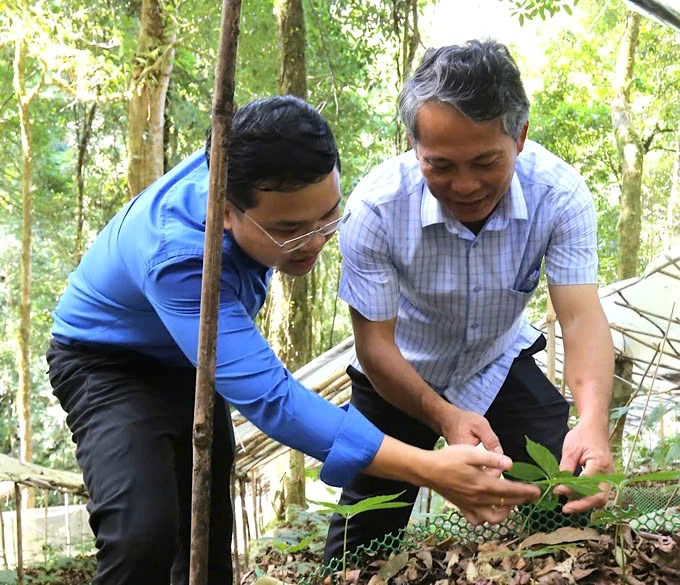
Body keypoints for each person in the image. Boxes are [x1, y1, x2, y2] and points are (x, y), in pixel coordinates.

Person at [46, 95, 538, 585]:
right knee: (143, 537)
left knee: (205, 537)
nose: (314, 242)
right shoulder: (177, 256)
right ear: (225, 211)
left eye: (327, 217)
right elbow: (273, 401)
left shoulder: (253, 162)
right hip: (108, 362)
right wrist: (431, 469)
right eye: (288, 230)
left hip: (193, 364)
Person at [323, 40, 615, 562]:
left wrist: (592, 419)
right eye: (441, 167)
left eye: (485, 162)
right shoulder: (376, 208)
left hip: (496, 358)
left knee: (562, 487)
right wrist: (443, 416)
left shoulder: (559, 194)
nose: (465, 185)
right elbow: (374, 347)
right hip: (399, 373)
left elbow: (581, 316)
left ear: (520, 137)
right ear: (413, 146)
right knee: (362, 536)